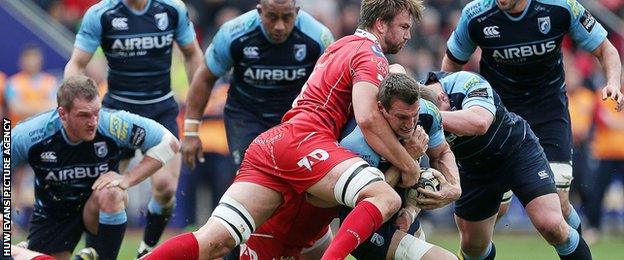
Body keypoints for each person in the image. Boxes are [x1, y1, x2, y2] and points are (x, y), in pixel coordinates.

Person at [142, 1, 426, 259]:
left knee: (214, 240)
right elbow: (367, 118)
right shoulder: (370, 54)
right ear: (380, 24)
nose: (408, 35)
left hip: (272, 141)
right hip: (307, 141)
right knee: (383, 197)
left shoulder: (338, 44)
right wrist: (408, 165)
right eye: (403, 26)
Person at [442, 0, 623, 234]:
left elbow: (605, 49)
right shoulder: (475, 14)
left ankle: (579, 250)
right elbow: (451, 64)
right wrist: (447, 105)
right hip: (499, 118)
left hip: (548, 113)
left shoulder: (561, 6)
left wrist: (613, 82)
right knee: (496, 210)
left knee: (557, 205)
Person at [64, 0, 203, 256]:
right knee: (102, 189)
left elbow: (193, 54)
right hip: (117, 114)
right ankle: (93, 251)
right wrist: (72, 107)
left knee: (166, 189)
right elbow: (76, 63)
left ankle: (146, 250)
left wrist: (195, 108)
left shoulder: (171, 8)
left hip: (161, 109)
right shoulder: (101, 13)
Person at [417, 70, 592, 259]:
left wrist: (434, 115)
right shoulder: (412, 112)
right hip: (472, 170)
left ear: (443, 96)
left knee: (551, 225)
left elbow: (480, 122)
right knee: (473, 249)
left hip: (517, 153)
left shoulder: (465, 81)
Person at [10, 75, 180, 260]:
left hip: (95, 207)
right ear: (62, 114)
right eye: (83, 115)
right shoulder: (28, 134)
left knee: (113, 192)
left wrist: (128, 178)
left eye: (96, 112)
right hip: (53, 214)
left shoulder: (113, 124)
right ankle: (24, 251)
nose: (93, 122)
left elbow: (169, 142)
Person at [181, 0, 334, 171]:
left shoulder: (319, 37)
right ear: (260, 11)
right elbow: (204, 78)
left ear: (296, 11)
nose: (280, 27)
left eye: (287, 17)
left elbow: (333, 88)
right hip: (247, 118)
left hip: (296, 119)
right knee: (253, 176)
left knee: (295, 183)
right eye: (272, 17)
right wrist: (191, 132)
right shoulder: (233, 34)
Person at [338, 73, 460, 260]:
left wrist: (454, 187)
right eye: (402, 117)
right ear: (381, 109)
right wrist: (408, 160)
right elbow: (368, 200)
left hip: (403, 219)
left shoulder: (427, 113)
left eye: (414, 115)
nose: (410, 124)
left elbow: (442, 152)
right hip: (367, 228)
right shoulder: (357, 143)